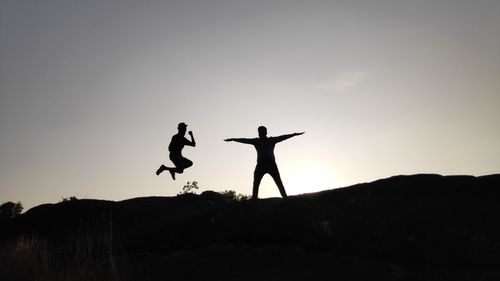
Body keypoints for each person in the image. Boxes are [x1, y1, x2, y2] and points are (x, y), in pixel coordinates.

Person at [224, 126, 304, 199]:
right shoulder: (256, 141)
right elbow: (244, 140)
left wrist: (294, 134)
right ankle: (254, 198)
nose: (260, 133)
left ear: (266, 132)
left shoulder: (271, 140)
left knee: (278, 181)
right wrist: (233, 139)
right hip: (261, 165)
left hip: (271, 164)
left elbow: (283, 137)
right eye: (259, 132)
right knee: (256, 182)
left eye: (262, 132)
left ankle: (285, 197)